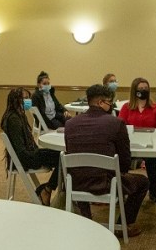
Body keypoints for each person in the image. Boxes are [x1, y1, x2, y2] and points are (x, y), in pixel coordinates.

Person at [64, 84, 149, 237]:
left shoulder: (70, 124)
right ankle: (123, 224)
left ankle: (86, 219)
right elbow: (124, 162)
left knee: (80, 171)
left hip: (76, 183)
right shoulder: (116, 123)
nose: (111, 106)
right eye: (110, 102)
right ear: (100, 102)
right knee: (143, 182)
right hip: (106, 184)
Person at [0, 87, 60, 206]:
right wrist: (39, 153)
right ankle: (47, 190)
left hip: (28, 154)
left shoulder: (19, 115)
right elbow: (21, 151)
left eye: (28, 98)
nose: (28, 101)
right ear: (16, 100)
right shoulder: (13, 119)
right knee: (62, 158)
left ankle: (47, 188)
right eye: (25, 98)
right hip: (25, 158)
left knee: (59, 155)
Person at [118, 77, 156, 203]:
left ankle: (153, 192)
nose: (144, 90)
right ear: (134, 91)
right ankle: (121, 191)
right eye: (140, 88)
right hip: (130, 145)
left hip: (150, 145)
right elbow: (120, 127)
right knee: (120, 158)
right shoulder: (126, 107)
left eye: (146, 88)